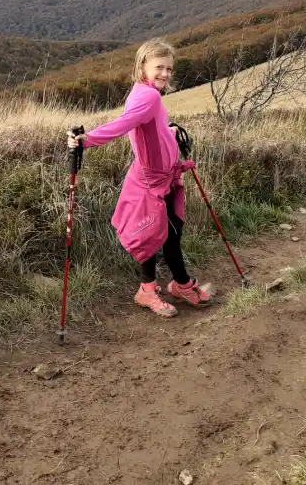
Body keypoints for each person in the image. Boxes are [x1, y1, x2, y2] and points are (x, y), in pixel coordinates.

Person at [67, 38, 212, 317]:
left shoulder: (144, 92)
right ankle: (155, 289)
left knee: (166, 233)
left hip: (161, 178)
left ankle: (177, 284)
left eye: (169, 69)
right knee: (155, 234)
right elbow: (126, 124)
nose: (165, 74)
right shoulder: (149, 96)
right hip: (151, 182)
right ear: (142, 66)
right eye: (159, 67)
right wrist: (89, 140)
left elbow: (146, 126)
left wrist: (167, 132)